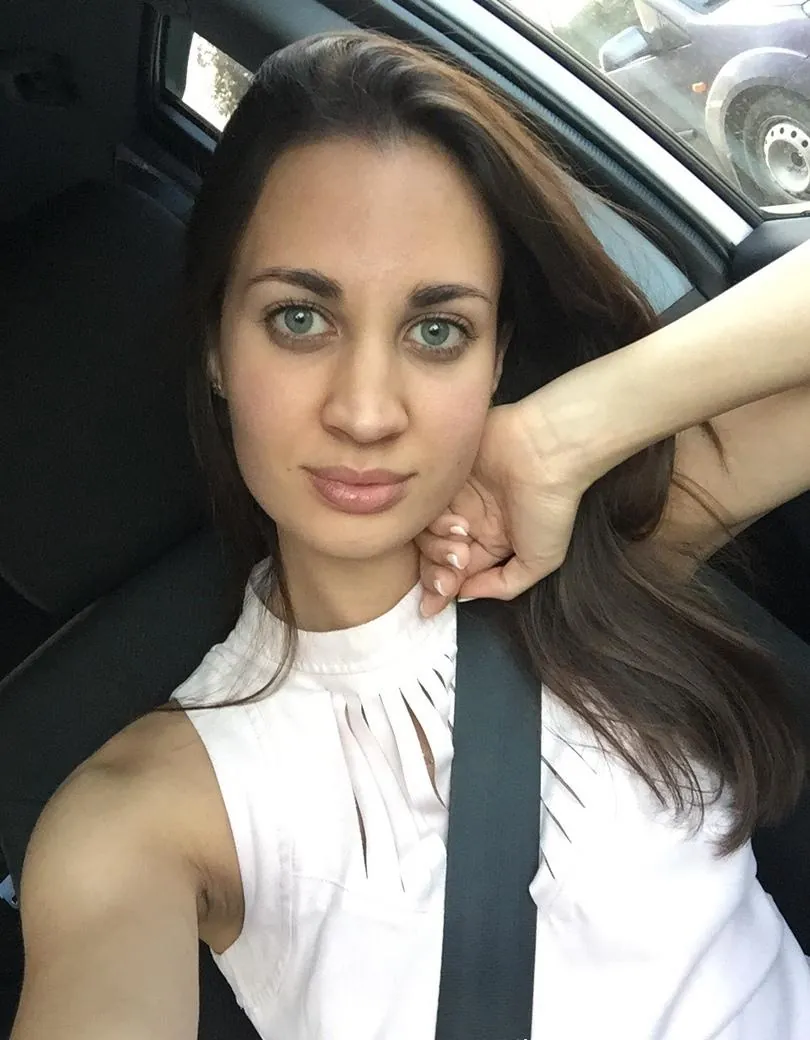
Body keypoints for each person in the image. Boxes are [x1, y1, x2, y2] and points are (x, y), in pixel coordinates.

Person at [11, 30, 810, 1040]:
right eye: (300, 318)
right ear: (214, 343)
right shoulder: (141, 820)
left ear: (496, 354)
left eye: (439, 330)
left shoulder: (588, 551)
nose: (366, 411)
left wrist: (567, 432)